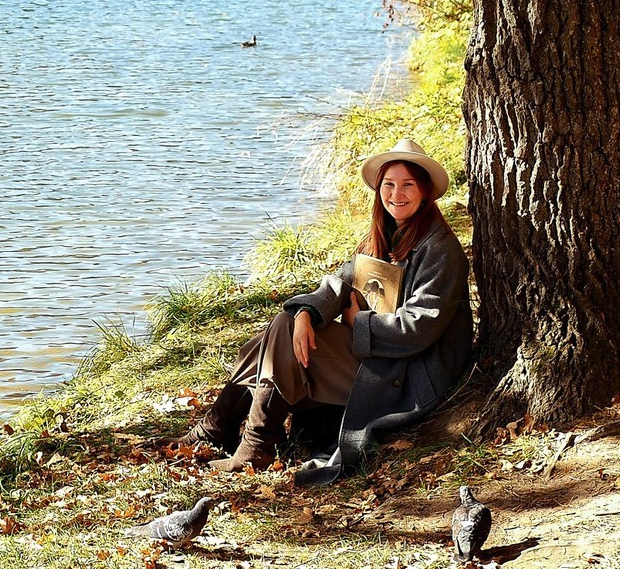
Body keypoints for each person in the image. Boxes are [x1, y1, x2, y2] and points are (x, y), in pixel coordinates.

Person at [175, 138, 473, 486]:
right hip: (380, 350)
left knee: (276, 343)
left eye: (408, 184)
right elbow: (341, 282)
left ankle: (246, 442)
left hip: (411, 371)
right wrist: (306, 312)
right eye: (389, 184)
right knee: (280, 331)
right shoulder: (386, 233)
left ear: (425, 191)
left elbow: (418, 328)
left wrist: (356, 322)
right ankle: (221, 432)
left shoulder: (440, 249)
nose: (397, 193)